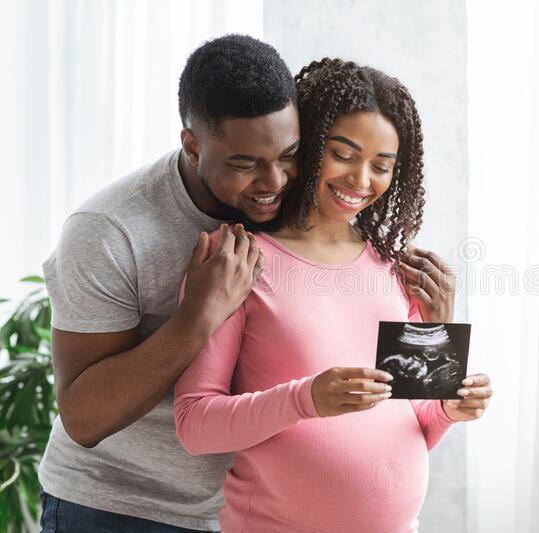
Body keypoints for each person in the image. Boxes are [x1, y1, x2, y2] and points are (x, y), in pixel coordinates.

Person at [39, 36, 454, 532]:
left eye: (289, 155)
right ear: (192, 144)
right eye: (245, 163)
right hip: (122, 505)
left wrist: (439, 337)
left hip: (234, 506)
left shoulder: (317, 236)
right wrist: (197, 317)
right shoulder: (110, 230)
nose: (275, 181)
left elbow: (408, 409)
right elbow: (84, 419)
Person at [173, 58, 493, 533]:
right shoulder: (238, 261)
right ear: (307, 144)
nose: (361, 181)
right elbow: (195, 426)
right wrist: (306, 398)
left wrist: (450, 407)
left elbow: (418, 429)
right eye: (344, 155)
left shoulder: (397, 268)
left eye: (382, 166)